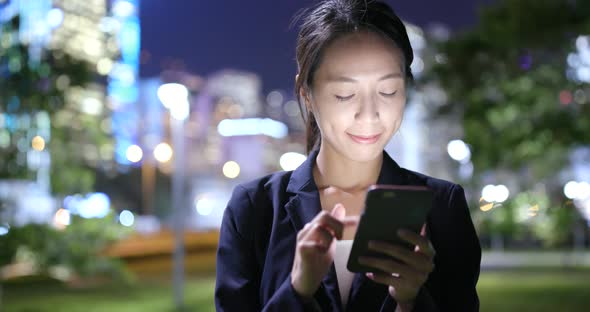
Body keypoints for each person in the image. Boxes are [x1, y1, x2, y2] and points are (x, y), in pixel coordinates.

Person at [215, 0, 481, 311]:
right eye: (344, 94)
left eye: (388, 91)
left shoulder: (442, 207)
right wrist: (298, 289)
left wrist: (410, 302)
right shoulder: (255, 209)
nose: (369, 114)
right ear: (306, 94)